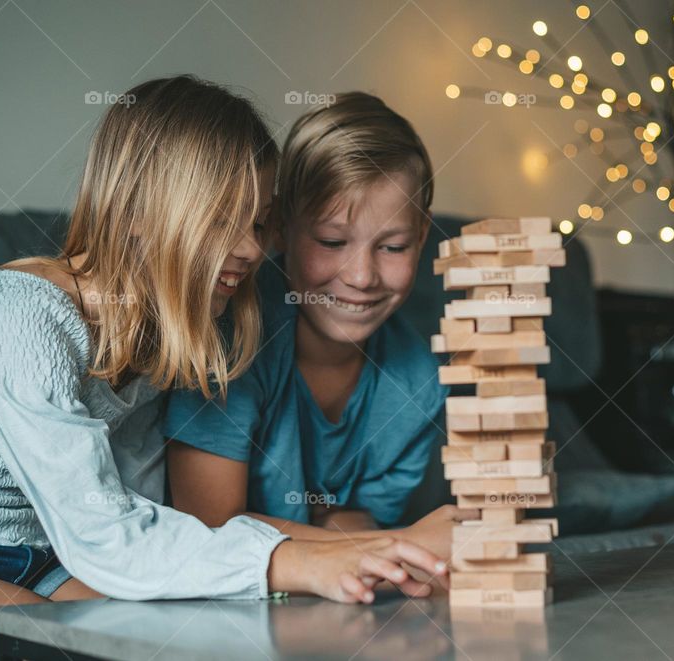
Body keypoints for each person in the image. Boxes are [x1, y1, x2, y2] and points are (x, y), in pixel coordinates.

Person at [0, 77, 446, 661]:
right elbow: (103, 532)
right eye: (223, 219)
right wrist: (291, 561)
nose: (253, 248)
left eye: (258, 223)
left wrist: (343, 558)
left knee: (189, 638)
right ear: (138, 211)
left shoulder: (168, 332)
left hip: (49, 556)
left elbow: (148, 517)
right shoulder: (18, 318)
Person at [165, 92, 476, 556]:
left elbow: (343, 521)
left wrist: (384, 545)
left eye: (392, 247)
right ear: (281, 227)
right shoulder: (229, 335)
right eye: (332, 241)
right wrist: (402, 543)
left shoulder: (420, 381)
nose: (360, 277)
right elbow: (209, 524)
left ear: (423, 235)